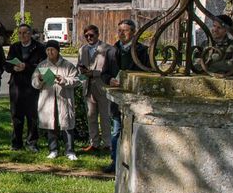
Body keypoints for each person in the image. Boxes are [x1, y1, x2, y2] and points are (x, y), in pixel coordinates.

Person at [103, 19, 151, 173]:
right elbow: (104, 73)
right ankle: (115, 161)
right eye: (119, 31)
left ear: (133, 32)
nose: (121, 33)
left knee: (134, 132)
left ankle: (134, 163)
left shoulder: (142, 51)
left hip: (134, 99)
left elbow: (149, 73)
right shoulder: (112, 50)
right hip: (117, 100)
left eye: (125, 30)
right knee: (116, 131)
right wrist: (109, 79)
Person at [32, 40, 79, 160]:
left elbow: (77, 80)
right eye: (47, 50)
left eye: (52, 50)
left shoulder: (68, 65)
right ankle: (53, 149)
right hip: (48, 100)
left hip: (64, 98)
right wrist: (40, 79)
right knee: (50, 125)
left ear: (58, 50)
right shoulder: (42, 65)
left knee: (67, 125)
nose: (50, 52)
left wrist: (64, 80)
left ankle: (70, 150)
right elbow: (34, 84)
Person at [5, 24, 46, 151]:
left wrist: (26, 67)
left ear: (31, 33)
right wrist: (14, 68)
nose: (22, 36)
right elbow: (7, 65)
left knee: (32, 115)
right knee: (16, 114)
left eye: (25, 33)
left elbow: (42, 66)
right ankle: (16, 143)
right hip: (16, 85)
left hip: (32, 85)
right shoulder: (14, 47)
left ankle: (32, 142)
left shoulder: (39, 47)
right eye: (20, 33)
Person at [77, 24, 112, 152]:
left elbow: (110, 70)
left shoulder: (107, 49)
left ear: (98, 35)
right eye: (86, 36)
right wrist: (81, 71)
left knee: (105, 116)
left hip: (102, 86)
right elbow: (78, 66)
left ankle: (107, 144)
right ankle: (94, 143)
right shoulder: (82, 49)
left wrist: (94, 73)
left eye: (91, 35)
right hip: (88, 86)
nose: (89, 38)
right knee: (91, 116)